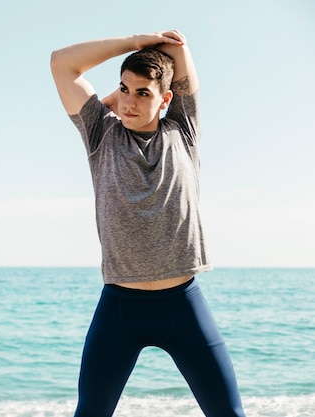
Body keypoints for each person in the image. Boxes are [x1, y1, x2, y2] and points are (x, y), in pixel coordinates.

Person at [50, 30, 246, 416]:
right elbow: (61, 63)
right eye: (124, 89)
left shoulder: (182, 130)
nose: (129, 101)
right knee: (90, 411)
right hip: (120, 308)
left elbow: (177, 46)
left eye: (143, 93)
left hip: (183, 303)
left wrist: (156, 46)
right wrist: (134, 41)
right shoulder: (100, 133)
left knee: (229, 413)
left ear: (166, 99)